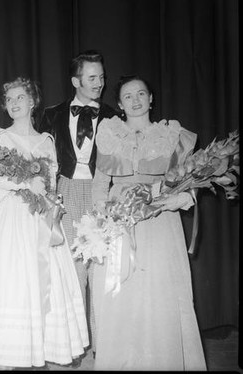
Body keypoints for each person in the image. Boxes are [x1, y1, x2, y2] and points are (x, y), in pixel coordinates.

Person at [0, 77, 89, 369]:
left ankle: (43, 344)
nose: (15, 103)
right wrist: (20, 182)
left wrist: (49, 199)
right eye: (10, 100)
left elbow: (51, 183)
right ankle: (12, 349)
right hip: (11, 217)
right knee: (13, 276)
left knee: (44, 274)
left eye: (21, 98)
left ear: (33, 102)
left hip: (40, 219)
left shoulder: (47, 141)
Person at [90, 75, 207, 370]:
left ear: (151, 98)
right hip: (119, 218)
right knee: (123, 288)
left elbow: (189, 181)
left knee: (158, 290)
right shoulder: (109, 132)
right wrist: (103, 218)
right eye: (128, 96)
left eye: (141, 94)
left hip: (159, 220)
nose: (136, 100)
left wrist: (180, 199)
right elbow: (100, 183)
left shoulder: (172, 135)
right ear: (119, 104)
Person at [35, 50, 118, 362]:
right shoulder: (52, 114)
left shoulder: (113, 116)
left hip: (100, 192)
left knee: (101, 269)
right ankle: (70, 344)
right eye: (92, 78)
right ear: (75, 80)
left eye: (102, 77)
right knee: (69, 271)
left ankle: (103, 343)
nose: (99, 83)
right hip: (65, 192)